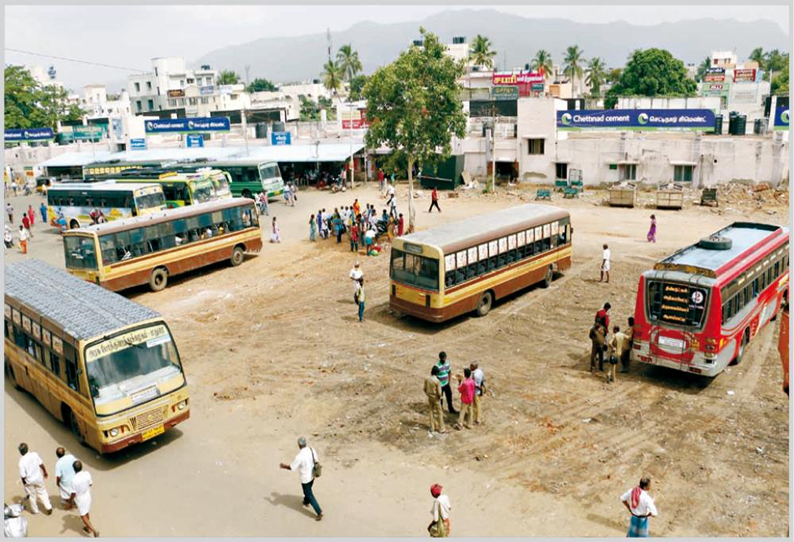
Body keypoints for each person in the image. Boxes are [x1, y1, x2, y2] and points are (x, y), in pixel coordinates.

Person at [279, 437, 323, 521]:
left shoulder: (299, 456)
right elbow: (316, 460)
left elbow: (292, 467)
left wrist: (283, 466)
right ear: (305, 443)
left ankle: (319, 512)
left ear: (299, 445)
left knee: (308, 493)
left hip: (305, 478)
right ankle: (306, 501)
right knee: (308, 490)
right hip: (313, 475)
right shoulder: (311, 449)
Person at [17, 443, 52, 515]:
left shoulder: (21, 462)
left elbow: (23, 476)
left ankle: (35, 511)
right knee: (42, 492)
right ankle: (48, 507)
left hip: (29, 481)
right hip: (38, 478)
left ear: (20, 452)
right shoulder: (34, 455)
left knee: (32, 496)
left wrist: (24, 483)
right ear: (27, 448)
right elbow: (41, 464)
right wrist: (45, 472)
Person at [67, 461, 98, 537]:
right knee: (86, 511)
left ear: (74, 469)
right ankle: (88, 528)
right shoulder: (87, 474)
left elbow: (73, 493)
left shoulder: (74, 480)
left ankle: (94, 530)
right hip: (88, 496)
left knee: (83, 516)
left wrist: (70, 501)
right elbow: (90, 484)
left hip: (81, 500)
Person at [424, 366, 446, 433]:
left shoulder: (427, 379)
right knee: (439, 412)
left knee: (431, 411)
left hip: (429, 396)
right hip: (435, 397)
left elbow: (424, 389)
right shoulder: (437, 381)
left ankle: (432, 427)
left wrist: (428, 394)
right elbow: (439, 392)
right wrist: (440, 397)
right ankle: (441, 428)